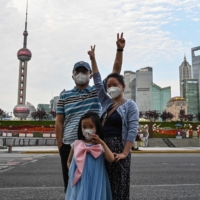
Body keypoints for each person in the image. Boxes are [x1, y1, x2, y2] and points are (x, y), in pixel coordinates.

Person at [56, 33, 125, 192]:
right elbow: (59, 121)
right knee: (71, 185)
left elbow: (115, 71)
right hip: (70, 145)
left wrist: (119, 50)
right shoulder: (64, 95)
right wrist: (60, 145)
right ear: (72, 75)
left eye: (84, 71)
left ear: (90, 74)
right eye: (77, 71)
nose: (81, 74)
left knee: (94, 184)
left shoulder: (97, 92)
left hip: (94, 143)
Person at [88, 45, 139, 200]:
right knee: (102, 186)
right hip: (102, 148)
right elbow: (97, 82)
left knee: (117, 188)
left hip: (118, 150)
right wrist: (93, 59)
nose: (111, 88)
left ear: (123, 87)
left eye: (115, 85)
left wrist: (125, 152)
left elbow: (132, 129)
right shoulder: (106, 103)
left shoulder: (130, 105)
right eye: (109, 85)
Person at [65, 112, 114, 200]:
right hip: (80, 179)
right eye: (84, 127)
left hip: (96, 180)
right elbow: (69, 161)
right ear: (80, 128)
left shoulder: (99, 146)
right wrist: (72, 170)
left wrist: (102, 142)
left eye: (91, 127)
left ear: (97, 128)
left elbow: (111, 158)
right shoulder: (76, 144)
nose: (87, 130)